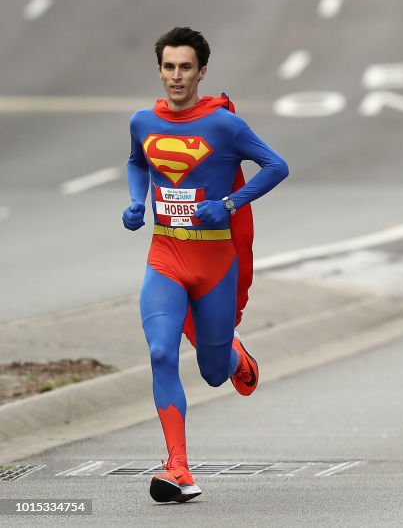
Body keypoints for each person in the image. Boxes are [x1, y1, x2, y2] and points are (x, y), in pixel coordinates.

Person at [123, 27, 289, 502]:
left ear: (202, 72)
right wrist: (137, 202)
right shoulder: (142, 121)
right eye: (169, 67)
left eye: (186, 68)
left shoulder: (223, 127)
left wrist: (232, 204)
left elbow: (276, 165)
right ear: (159, 70)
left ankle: (236, 357)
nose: (177, 77)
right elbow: (137, 162)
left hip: (216, 262)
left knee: (213, 372)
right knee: (160, 352)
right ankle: (177, 467)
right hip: (166, 256)